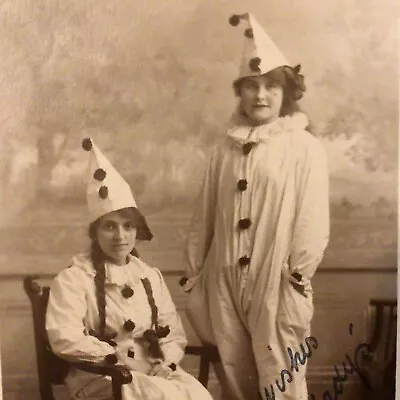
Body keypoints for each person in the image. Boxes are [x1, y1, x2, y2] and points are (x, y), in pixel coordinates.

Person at [181, 12, 330, 400]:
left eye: (271, 87)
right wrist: (195, 271)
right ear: (241, 92)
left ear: (286, 94)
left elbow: (312, 216)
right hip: (224, 277)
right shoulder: (223, 150)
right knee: (235, 375)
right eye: (251, 86)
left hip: (276, 278)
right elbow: (204, 216)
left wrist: (298, 270)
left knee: (280, 375)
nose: (260, 95)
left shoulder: (302, 147)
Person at [46, 138, 214, 400]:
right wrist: (115, 358)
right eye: (109, 226)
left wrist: (164, 363)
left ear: (137, 230)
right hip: (101, 376)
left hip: (152, 372)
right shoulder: (74, 279)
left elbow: (174, 334)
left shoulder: (149, 276)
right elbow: (64, 337)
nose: (120, 236)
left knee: (196, 394)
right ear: (95, 232)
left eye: (128, 226)